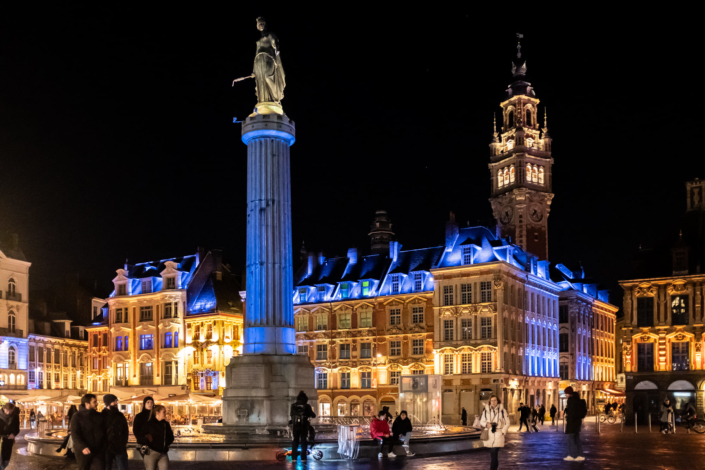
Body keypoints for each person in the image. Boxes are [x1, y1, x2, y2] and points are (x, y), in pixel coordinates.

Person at [70, 394, 106, 470]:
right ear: (87, 404)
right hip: (83, 451)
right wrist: (82, 447)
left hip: (98, 450)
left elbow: (104, 431)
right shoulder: (77, 416)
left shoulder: (99, 416)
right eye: (94, 402)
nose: (97, 403)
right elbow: (75, 434)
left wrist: (103, 446)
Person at [480, 395, 509, 470]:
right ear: (489, 401)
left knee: (494, 452)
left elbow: (507, 423)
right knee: (493, 454)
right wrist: (486, 424)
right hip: (489, 434)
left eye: (495, 400)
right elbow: (481, 421)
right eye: (492, 400)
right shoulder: (486, 411)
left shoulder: (502, 411)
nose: (493, 402)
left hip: (498, 434)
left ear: (498, 401)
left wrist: (503, 432)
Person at [141, 405, 174, 470]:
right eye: (164, 412)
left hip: (163, 453)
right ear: (157, 413)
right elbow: (141, 437)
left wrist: (165, 443)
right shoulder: (149, 424)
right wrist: (148, 441)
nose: (165, 413)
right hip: (151, 453)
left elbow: (171, 436)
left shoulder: (165, 424)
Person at [102, 394, 129, 470]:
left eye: (116, 401)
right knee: (107, 467)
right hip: (107, 448)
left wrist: (123, 442)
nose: (116, 403)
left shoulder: (120, 415)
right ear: (108, 403)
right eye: (114, 401)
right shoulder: (102, 416)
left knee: (123, 467)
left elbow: (125, 430)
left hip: (119, 447)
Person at [289, 391, 316, 461]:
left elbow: (291, 415)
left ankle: (294, 458)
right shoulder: (307, 406)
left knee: (295, 441)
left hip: (295, 426)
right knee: (304, 441)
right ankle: (303, 458)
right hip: (304, 426)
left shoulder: (293, 406)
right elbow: (313, 415)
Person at [564, 386, 587, 462]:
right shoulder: (577, 400)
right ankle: (580, 455)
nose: (565, 395)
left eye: (566, 393)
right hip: (577, 423)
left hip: (572, 423)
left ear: (569, 393)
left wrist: (568, 416)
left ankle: (572, 455)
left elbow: (572, 413)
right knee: (577, 439)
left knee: (571, 440)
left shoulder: (571, 401)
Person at [0, 403, 20, 470]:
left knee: (6, 459)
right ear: (4, 409)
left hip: (8, 440)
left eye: (10, 411)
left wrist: (14, 434)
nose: (8, 413)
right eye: (7, 411)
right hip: (0, 438)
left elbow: (17, 429)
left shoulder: (15, 416)